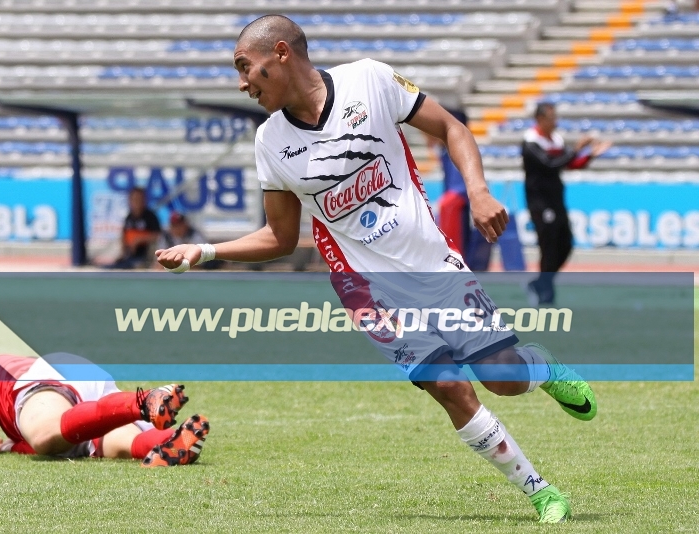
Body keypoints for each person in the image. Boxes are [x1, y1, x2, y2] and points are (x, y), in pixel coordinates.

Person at [156, 15, 596, 522]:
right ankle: (540, 492)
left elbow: (452, 129)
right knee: (450, 386)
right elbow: (279, 237)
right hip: (366, 290)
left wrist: (478, 192)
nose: (241, 82)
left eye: (244, 67)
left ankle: (541, 368)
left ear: (280, 52)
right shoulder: (269, 143)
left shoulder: (370, 79)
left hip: (433, 264)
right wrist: (206, 251)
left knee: (502, 378)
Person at [0, 353, 210, 467]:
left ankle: (142, 401)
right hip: (89, 382)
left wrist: (7, 446)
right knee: (120, 444)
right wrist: (12, 445)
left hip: (53, 375)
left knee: (44, 436)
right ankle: (175, 440)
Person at [521, 103, 612, 305]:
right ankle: (545, 292)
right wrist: (577, 148)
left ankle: (541, 283)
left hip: (556, 198)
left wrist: (590, 155)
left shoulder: (555, 140)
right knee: (548, 245)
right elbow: (550, 163)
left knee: (565, 244)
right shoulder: (531, 141)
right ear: (541, 119)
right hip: (540, 201)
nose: (556, 122)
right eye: (552, 118)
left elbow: (568, 163)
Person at [110, 187, 162, 269]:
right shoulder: (129, 217)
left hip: (145, 256)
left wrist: (140, 239)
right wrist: (123, 252)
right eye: (134, 199)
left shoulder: (150, 217)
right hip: (130, 256)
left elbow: (158, 235)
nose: (137, 202)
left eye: (139, 198)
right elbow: (124, 235)